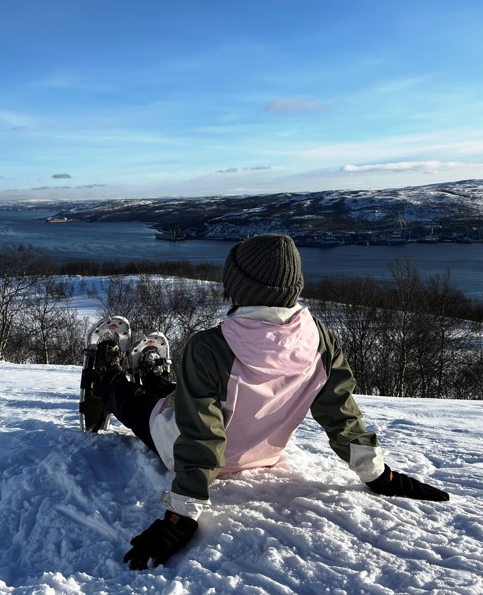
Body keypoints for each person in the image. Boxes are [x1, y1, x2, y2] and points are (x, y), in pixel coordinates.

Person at [85, 234, 450, 571]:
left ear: (239, 286)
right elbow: (341, 413)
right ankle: (152, 374)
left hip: (182, 448)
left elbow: (201, 438)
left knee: (137, 407)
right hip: (263, 456)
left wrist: (182, 515)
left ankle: (108, 376)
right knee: (185, 393)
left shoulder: (210, 346)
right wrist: (377, 473)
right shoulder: (321, 340)